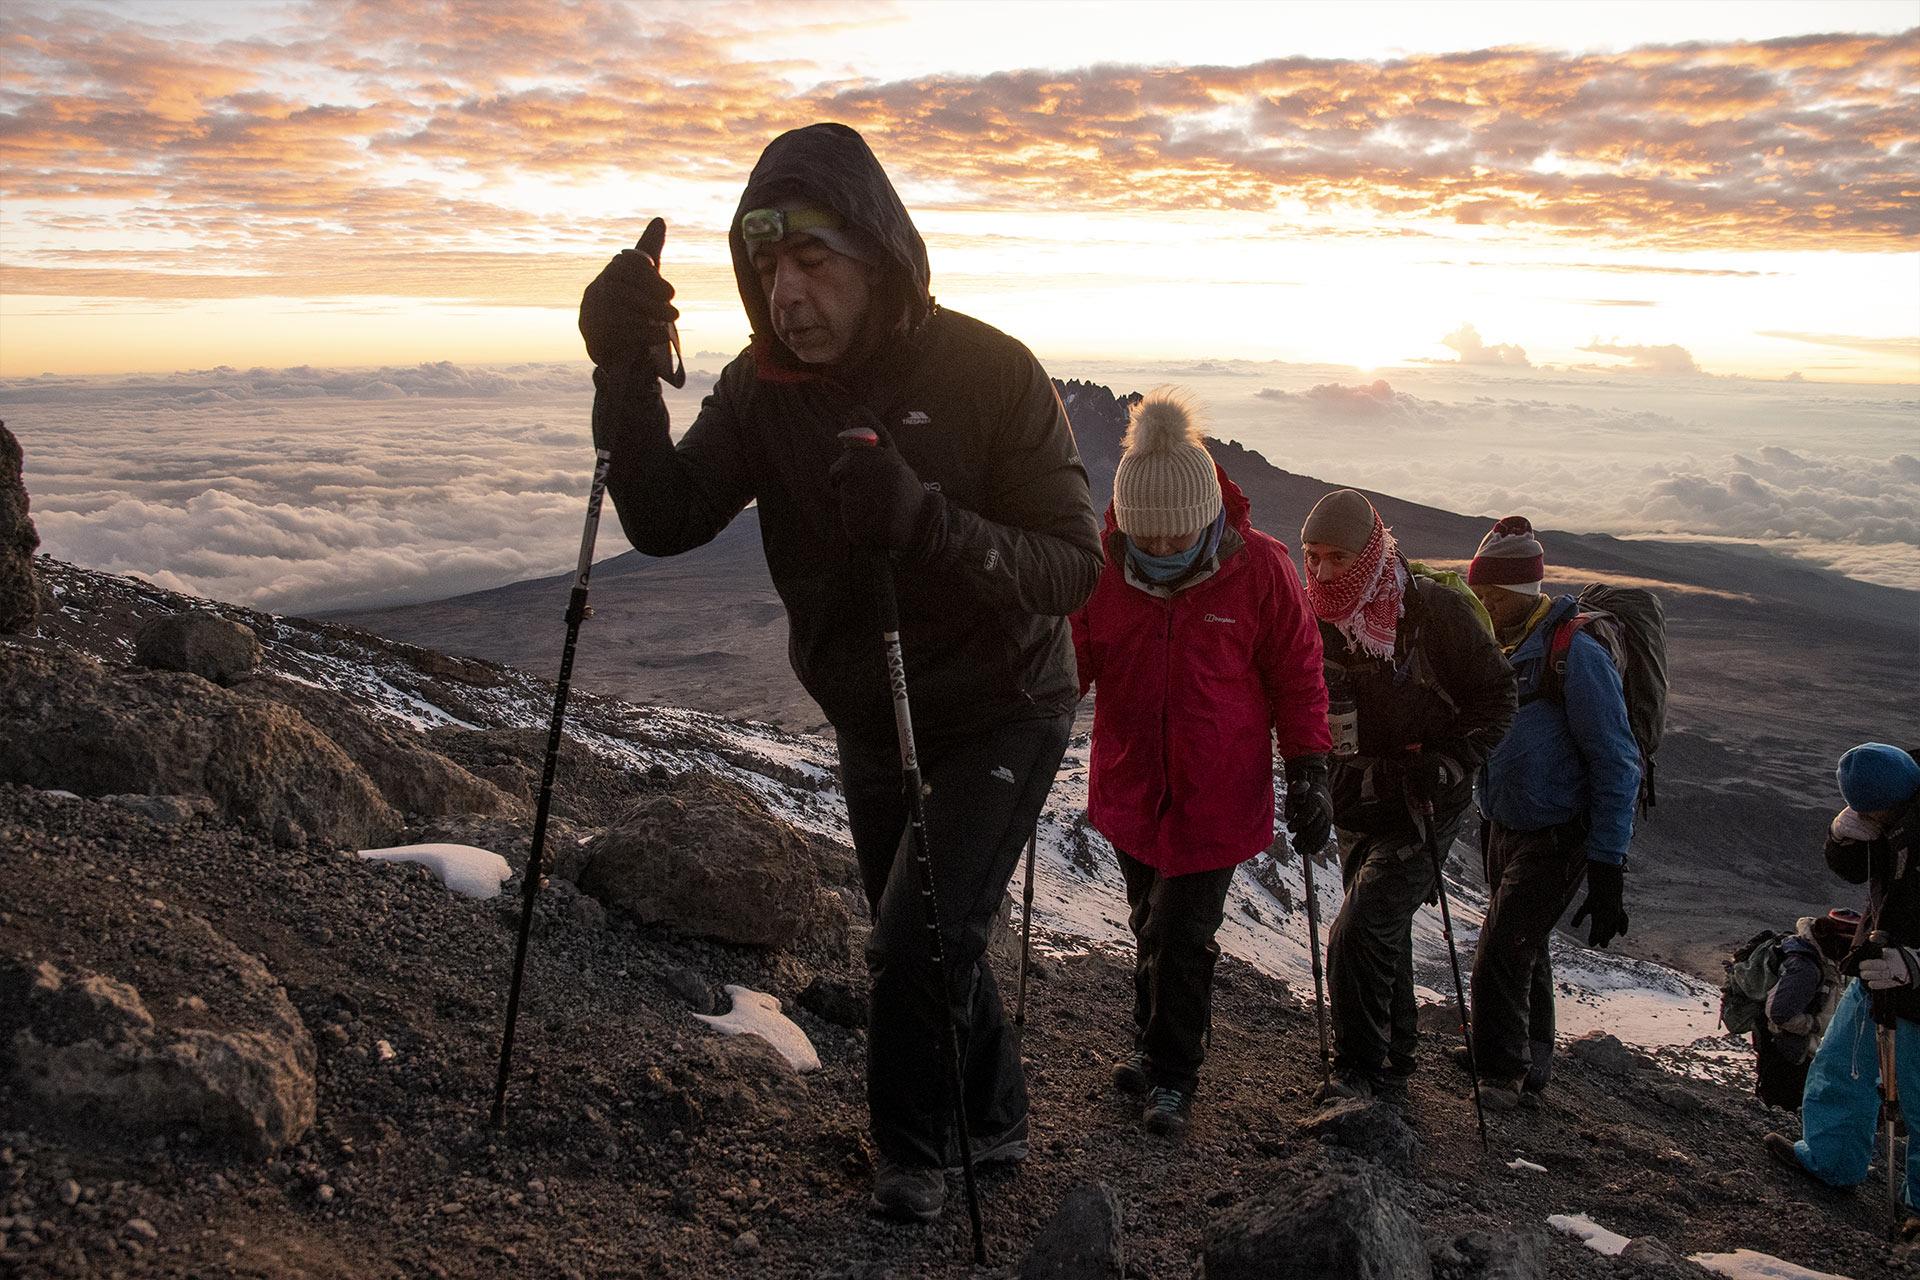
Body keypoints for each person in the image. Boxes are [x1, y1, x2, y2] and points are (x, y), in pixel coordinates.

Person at [578, 122, 1102, 1222]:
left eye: (812, 261)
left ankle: (914, 1156)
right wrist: (624, 374)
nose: (788, 293)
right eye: (767, 266)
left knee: (914, 938)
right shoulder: (764, 391)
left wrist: (925, 522)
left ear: (877, 255)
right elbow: (667, 516)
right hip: (872, 711)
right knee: (932, 927)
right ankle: (995, 1116)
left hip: (1006, 700)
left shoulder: (989, 372)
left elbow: (1071, 568)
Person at [1069, 388, 1330, 1136]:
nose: (1156, 554)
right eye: (1142, 542)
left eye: (1170, 540)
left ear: (1203, 516)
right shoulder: (1103, 569)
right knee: (1148, 922)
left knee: (1182, 935)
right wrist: (1033, 712)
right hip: (1131, 789)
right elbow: (1072, 662)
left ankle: (1175, 1075)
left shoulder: (1262, 570)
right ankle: (1152, 1051)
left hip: (1217, 796)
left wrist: (1310, 767)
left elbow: (1298, 674)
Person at [1299, 490, 1515, 1105]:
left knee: (1359, 930)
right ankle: (1396, 1059)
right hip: (1353, 800)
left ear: (1369, 553)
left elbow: (1499, 701)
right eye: (1312, 557)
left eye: (1338, 558)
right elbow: (1300, 707)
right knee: (1380, 931)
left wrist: (1451, 765)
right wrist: (1309, 782)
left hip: (1424, 806)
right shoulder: (1313, 619)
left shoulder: (1434, 615)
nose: (1322, 573)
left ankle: (1360, 1073)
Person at [1465, 516, 1640, 1110]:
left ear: (1513, 594)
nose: (1477, 604)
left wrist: (1607, 863)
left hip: (1560, 829)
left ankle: (1500, 1072)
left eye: (1485, 595)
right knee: (1525, 944)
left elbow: (1618, 761)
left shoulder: (1575, 654)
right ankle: (1530, 1055)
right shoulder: (1503, 644)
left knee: (1502, 947)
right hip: (1504, 821)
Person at [1765, 744, 1920, 1235]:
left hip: (1912, 976)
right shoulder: (1894, 800)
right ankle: (1830, 1159)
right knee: (1842, 1066)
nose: (1868, 817)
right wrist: (1843, 840)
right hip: (1878, 963)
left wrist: (1917, 966)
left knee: (1918, 1090)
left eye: (1872, 812)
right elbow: (1860, 870)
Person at [1747, 909, 1857, 1111]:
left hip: (1786, 1049)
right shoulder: (1806, 968)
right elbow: (1780, 1013)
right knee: (1786, 1107)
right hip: (1787, 1053)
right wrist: (1815, 1024)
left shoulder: (1817, 955)